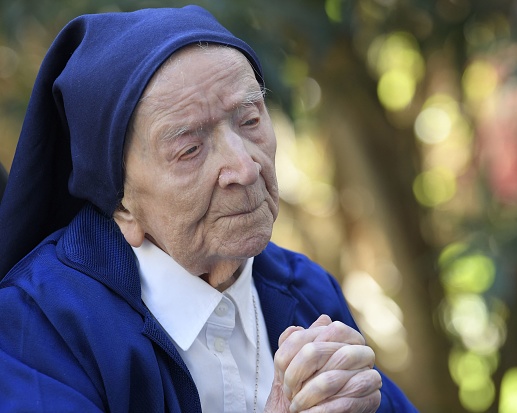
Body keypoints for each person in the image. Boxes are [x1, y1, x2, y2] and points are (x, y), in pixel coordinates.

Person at [0, 6, 418, 413]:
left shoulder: (306, 292)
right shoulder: (39, 326)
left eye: (250, 120)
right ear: (121, 205)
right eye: (190, 149)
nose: (245, 167)